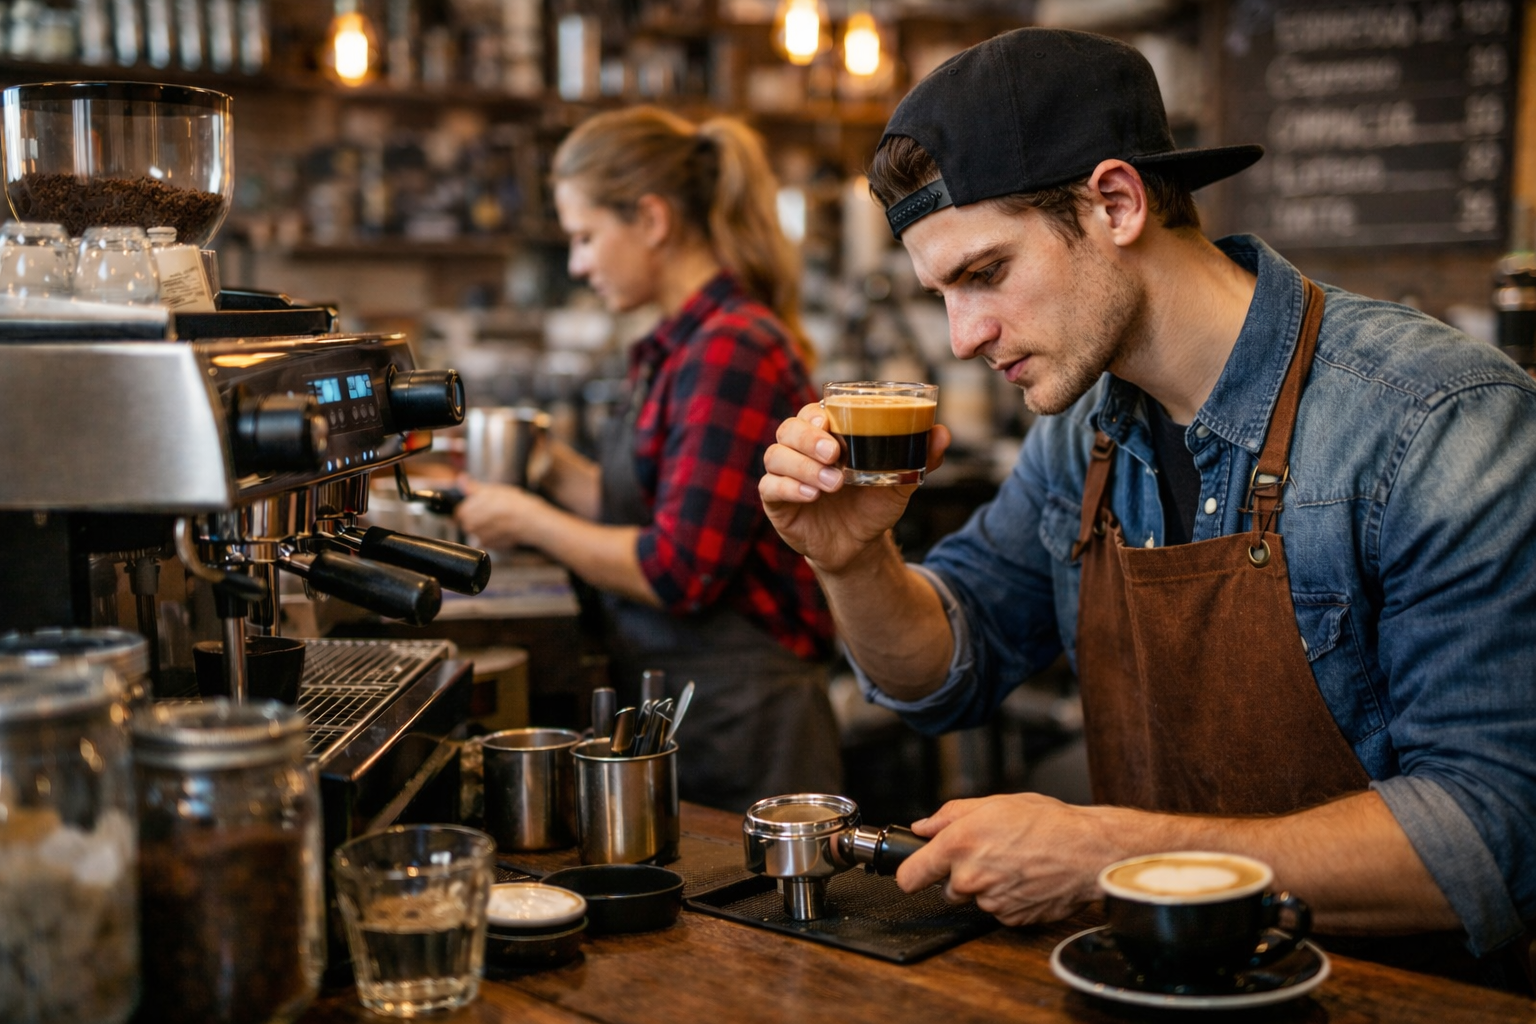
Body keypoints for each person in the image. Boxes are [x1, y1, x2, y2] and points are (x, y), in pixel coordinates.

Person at [760, 28, 1536, 990]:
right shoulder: (1080, 429)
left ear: (1116, 202)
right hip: (1155, 982)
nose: (963, 339)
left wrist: (1107, 856)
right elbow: (941, 676)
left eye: (985, 274)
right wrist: (852, 561)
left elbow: (1493, 831)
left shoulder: (1434, 420)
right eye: (942, 293)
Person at [455, 106, 842, 812]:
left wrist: (528, 518)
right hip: (701, 698)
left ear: (653, 221)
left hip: (748, 718)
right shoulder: (682, 343)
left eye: (585, 237)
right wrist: (541, 461)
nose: (577, 264)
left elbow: (679, 569)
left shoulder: (731, 347)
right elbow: (655, 505)